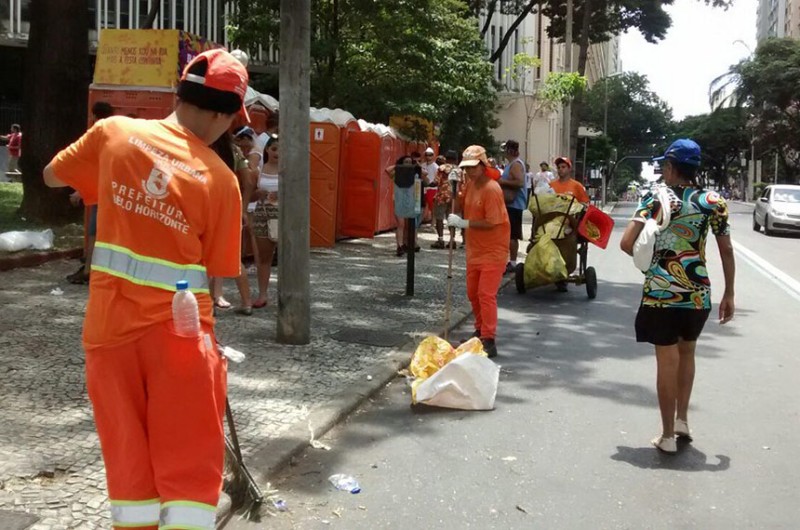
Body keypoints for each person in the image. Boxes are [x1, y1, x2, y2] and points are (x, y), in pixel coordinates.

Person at [43, 49, 247, 530]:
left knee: (129, 466)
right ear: (223, 114)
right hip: (180, 339)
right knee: (189, 471)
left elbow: (53, 176)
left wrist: (113, 177)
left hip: (108, 335)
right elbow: (214, 272)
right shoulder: (221, 180)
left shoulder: (114, 134)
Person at [620, 139, 736, 454]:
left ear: (671, 167)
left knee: (666, 362)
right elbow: (725, 249)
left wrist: (653, 263)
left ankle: (668, 435)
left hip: (661, 293)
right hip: (698, 294)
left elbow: (626, 242)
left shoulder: (655, 199)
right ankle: (683, 419)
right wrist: (730, 293)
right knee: (688, 353)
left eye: (664, 166)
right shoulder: (714, 201)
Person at [446, 145, 510, 358]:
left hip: (494, 251)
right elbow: (457, 204)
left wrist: (463, 223)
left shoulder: (492, 189)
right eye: (466, 168)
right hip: (475, 250)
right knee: (473, 293)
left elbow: (492, 222)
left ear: (483, 166)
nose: (469, 171)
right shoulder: (471, 185)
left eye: (473, 167)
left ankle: (489, 339)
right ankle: (480, 331)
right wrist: (453, 187)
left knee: (485, 294)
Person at [67, 102, 115, 285]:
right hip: (113, 193)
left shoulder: (97, 136)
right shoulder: (115, 134)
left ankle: (89, 270)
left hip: (101, 194)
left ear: (94, 116)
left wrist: (79, 192)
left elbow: (96, 169)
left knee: (95, 233)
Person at [209, 131, 255, 315]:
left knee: (201, 256)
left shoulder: (204, 148)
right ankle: (246, 302)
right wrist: (243, 208)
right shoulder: (234, 151)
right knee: (233, 256)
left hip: (206, 205)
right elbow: (249, 182)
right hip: (230, 206)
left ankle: (203, 302)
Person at [251, 134, 280, 308]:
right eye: (274, 148)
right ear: (267, 149)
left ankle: (289, 293)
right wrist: (258, 194)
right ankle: (262, 294)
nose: (277, 153)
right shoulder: (258, 171)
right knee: (264, 257)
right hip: (262, 214)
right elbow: (249, 195)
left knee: (287, 257)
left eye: (281, 149)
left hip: (282, 214)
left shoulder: (288, 170)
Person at [386, 154, 423, 256]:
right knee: (401, 224)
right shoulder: (397, 174)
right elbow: (387, 171)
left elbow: (425, 173)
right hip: (399, 201)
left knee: (409, 224)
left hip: (410, 201)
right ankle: (399, 245)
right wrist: (398, 166)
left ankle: (407, 243)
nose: (408, 164)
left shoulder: (415, 173)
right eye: (405, 162)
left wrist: (416, 165)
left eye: (410, 162)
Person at [498, 140, 526, 274]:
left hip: (514, 204)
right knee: (509, 234)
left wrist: (502, 181)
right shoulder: (513, 164)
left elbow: (519, 182)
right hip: (512, 204)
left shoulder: (515, 165)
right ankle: (510, 261)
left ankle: (513, 262)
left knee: (512, 234)